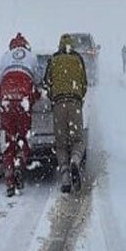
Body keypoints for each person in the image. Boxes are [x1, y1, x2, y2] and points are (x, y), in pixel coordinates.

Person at [0, 33, 40, 197]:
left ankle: (9, 180)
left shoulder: (5, 57)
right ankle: (20, 163)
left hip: (7, 100)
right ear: (26, 46)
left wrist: (3, 99)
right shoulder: (32, 57)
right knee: (23, 137)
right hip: (23, 100)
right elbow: (38, 84)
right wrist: (33, 99)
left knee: (9, 140)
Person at [44, 34, 88, 193]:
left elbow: (46, 82)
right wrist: (78, 98)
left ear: (60, 45)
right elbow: (84, 84)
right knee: (77, 139)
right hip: (75, 103)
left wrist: (53, 97)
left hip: (58, 104)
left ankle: (65, 177)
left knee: (61, 143)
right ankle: (75, 160)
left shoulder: (54, 59)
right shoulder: (78, 59)